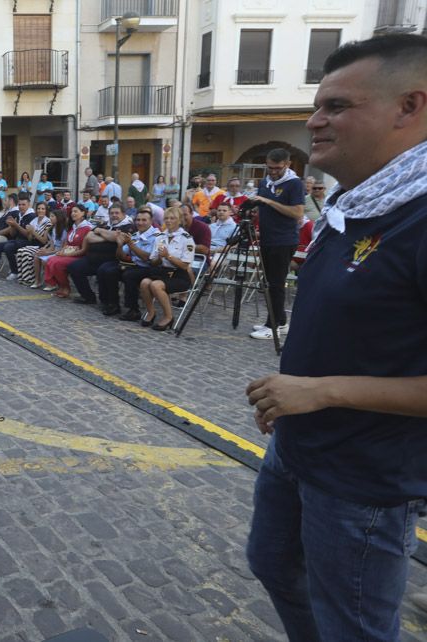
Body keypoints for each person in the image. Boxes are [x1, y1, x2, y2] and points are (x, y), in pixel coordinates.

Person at [245, 33, 427, 642]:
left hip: (363, 479)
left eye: (338, 107)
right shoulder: (358, 203)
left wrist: (319, 391)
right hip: (298, 450)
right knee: (273, 565)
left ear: (410, 106)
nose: (313, 121)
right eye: (318, 105)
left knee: (353, 625)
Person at [249, 148, 305, 340]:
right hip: (266, 237)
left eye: (277, 168)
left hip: (284, 239)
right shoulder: (264, 182)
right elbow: (261, 206)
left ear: (287, 164)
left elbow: (297, 213)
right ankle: (279, 321)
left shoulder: (294, 183)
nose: (272, 171)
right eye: (269, 167)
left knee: (277, 283)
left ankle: (272, 325)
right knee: (269, 283)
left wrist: (269, 202)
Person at [138, 207, 195, 331]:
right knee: (144, 283)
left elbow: (185, 265)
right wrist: (159, 257)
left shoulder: (187, 239)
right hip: (163, 272)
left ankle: (169, 317)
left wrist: (168, 256)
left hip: (180, 275)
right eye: (166, 218)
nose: (168, 221)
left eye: (172, 218)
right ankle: (151, 312)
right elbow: (153, 261)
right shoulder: (160, 237)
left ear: (179, 220)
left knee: (156, 285)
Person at [67, 203, 134, 305]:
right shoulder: (105, 225)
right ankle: (88, 297)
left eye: (117, 213)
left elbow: (119, 238)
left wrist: (100, 233)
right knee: (74, 267)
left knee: (104, 270)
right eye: (112, 213)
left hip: (111, 260)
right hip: (92, 259)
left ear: (123, 214)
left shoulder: (128, 226)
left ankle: (109, 302)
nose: (114, 215)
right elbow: (89, 237)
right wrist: (108, 236)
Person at [98, 209, 159, 317]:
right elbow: (120, 257)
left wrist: (131, 244)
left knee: (129, 275)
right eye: (138, 220)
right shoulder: (135, 235)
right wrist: (120, 245)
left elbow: (147, 258)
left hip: (149, 267)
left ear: (151, 221)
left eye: (144, 220)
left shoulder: (157, 236)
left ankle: (133, 309)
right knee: (106, 269)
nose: (140, 223)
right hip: (133, 265)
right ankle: (112, 303)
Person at [0, 194, 34, 278]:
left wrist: (15, 225)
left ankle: (15, 271)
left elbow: (27, 235)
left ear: (28, 205)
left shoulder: (31, 216)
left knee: (8, 247)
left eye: (23, 205)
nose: (21, 207)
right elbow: (13, 233)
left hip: (28, 241)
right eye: (19, 204)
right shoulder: (19, 214)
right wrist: (12, 226)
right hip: (17, 239)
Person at [43, 204, 93, 298]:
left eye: (76, 211)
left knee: (57, 263)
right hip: (69, 253)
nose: (73, 214)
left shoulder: (87, 228)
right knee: (51, 260)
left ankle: (66, 287)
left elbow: (84, 250)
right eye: (72, 212)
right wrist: (61, 252)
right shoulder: (73, 227)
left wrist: (66, 255)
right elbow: (66, 244)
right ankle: (61, 286)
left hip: (78, 256)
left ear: (83, 213)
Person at [19, 208, 65, 287]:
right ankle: (37, 280)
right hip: (53, 249)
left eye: (52, 216)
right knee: (37, 255)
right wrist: (45, 249)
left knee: (45, 260)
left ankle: (51, 283)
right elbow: (51, 243)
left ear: (59, 218)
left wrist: (47, 252)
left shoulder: (63, 231)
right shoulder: (52, 228)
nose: (50, 218)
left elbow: (61, 248)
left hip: (60, 252)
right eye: (50, 216)